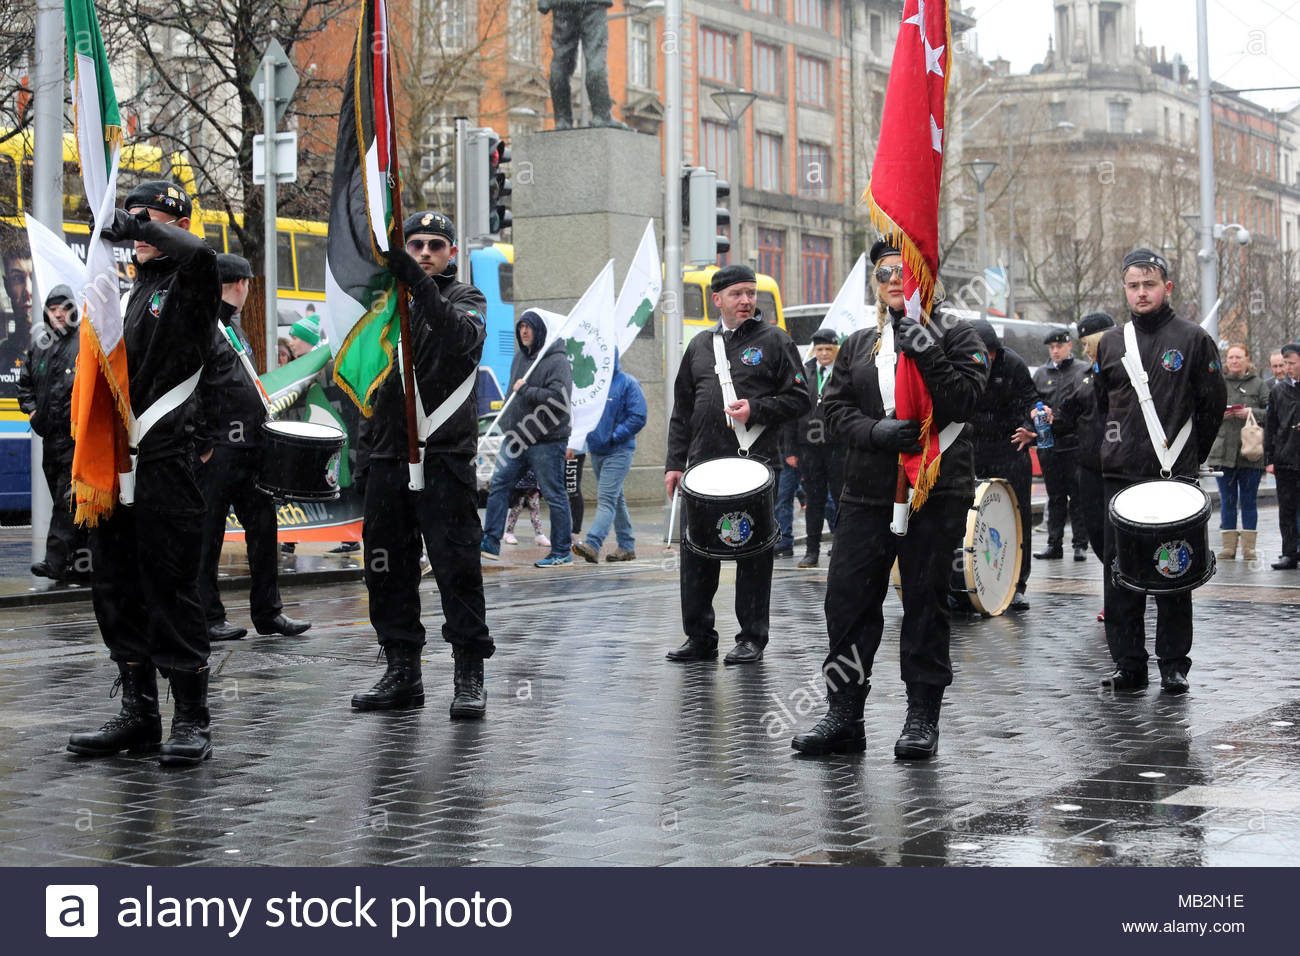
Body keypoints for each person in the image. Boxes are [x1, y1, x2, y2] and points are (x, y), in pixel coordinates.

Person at [791, 240, 988, 758]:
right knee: (848, 603)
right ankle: (844, 713)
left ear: (925, 276)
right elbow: (832, 413)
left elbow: (966, 400)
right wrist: (877, 432)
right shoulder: (859, 344)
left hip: (935, 489)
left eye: (905, 270)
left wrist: (923, 347)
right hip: (866, 494)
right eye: (884, 273)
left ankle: (922, 717)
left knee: (925, 602)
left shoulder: (957, 333)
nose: (895, 280)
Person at [66, 180, 221, 765]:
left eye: (147, 216)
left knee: (171, 589)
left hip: (164, 462)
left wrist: (144, 230)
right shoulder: (122, 293)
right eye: (128, 217)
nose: (133, 226)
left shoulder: (189, 283)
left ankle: (192, 719)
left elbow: (203, 257)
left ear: (174, 221)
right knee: (115, 588)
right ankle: (139, 715)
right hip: (116, 462)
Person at [351, 210, 494, 718]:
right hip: (388, 454)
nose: (426, 252)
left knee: (457, 567)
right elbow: (365, 382)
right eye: (415, 245)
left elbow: (460, 339)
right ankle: (402, 671)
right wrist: (363, 452)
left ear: (452, 253)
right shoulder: (383, 308)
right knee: (385, 568)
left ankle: (469, 673)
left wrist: (418, 285)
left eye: (436, 245)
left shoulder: (466, 299)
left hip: (444, 456)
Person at [1092, 248, 1225, 694]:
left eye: (1150, 284)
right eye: (1134, 285)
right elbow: (1100, 405)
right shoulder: (1111, 342)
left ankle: (1173, 664)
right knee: (1119, 575)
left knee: (1174, 572)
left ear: (1167, 287)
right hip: (1121, 478)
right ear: (1125, 289)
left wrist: (1188, 458)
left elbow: (1212, 405)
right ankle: (1128, 663)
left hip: (1172, 477)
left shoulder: (1193, 338)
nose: (1142, 292)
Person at [664, 264, 809, 665]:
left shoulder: (775, 340)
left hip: (754, 466)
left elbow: (801, 399)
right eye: (737, 294)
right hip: (703, 468)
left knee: (753, 553)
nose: (746, 301)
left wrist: (757, 409)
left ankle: (751, 637)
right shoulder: (698, 346)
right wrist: (675, 463)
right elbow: (683, 410)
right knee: (696, 553)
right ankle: (699, 636)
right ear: (718, 300)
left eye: (751, 293)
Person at [194, 254, 310, 642]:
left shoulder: (234, 330)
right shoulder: (203, 326)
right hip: (220, 449)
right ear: (241, 285)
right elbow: (191, 387)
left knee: (263, 529)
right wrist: (204, 442)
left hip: (250, 448)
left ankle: (268, 612)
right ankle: (207, 615)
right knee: (208, 535)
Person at [480, 310, 575, 567]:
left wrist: (528, 390)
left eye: (529, 327)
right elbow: (513, 397)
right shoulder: (519, 359)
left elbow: (559, 399)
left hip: (547, 440)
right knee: (499, 484)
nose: (523, 332)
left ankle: (561, 551)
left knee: (554, 494)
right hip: (516, 438)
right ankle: (490, 541)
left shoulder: (557, 361)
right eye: (520, 327)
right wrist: (507, 423)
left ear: (540, 330)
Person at [19, 286, 89, 583]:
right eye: (52, 308)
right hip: (51, 440)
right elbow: (25, 384)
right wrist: (33, 412)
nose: (58, 313)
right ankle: (84, 562)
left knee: (66, 501)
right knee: (69, 502)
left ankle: (54, 560)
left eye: (63, 308)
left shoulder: (84, 343)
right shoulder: (40, 345)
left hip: (77, 441)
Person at [969, 318, 1037, 611]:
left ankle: (1018, 583)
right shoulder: (961, 363)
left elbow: (1032, 401)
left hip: (1009, 447)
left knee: (1017, 517)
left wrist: (1029, 428)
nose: (990, 359)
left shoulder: (1014, 364)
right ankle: (974, 578)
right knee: (971, 519)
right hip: (972, 448)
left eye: (993, 352)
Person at [1051, 312, 1115, 567]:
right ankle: (1115, 591)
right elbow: (1069, 414)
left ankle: (1121, 597)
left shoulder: (1122, 373)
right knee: (1098, 534)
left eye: (1088, 344)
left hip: (1119, 466)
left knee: (1116, 537)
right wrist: (1043, 424)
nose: (1085, 350)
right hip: (1090, 465)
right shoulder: (1087, 375)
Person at [782, 327, 846, 569]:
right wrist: (790, 449)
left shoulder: (843, 372)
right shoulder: (805, 372)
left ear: (836, 349)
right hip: (809, 448)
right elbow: (792, 411)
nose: (824, 353)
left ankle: (841, 548)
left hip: (837, 446)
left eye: (829, 349)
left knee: (841, 499)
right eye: (819, 349)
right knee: (814, 500)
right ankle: (812, 551)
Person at [572, 353, 646, 563]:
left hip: (618, 450)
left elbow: (638, 416)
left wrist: (614, 436)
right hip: (597, 450)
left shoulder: (627, 383)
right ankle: (627, 546)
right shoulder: (593, 384)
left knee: (606, 499)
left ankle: (593, 544)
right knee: (616, 498)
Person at [1207, 344, 1270, 562]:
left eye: (1238, 357)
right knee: (1227, 501)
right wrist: (1219, 413)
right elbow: (1204, 409)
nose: (1234, 361)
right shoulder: (1218, 383)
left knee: (1249, 500)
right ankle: (1228, 547)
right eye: (1231, 357)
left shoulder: (1258, 384)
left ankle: (1249, 548)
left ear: (1247, 359)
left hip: (1250, 452)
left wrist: (1251, 412)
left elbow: (1272, 411)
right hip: (1222, 453)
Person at [1032, 327, 1090, 561]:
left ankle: (1080, 545)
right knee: (1055, 497)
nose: (1055, 351)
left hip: (1074, 444)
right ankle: (1054, 544)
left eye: (1059, 346)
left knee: (1077, 496)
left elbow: (1084, 406)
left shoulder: (1081, 371)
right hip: (1049, 445)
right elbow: (1031, 402)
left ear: (1069, 346)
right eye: (1051, 347)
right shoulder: (1040, 374)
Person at [538, 0, 629, 130]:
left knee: (561, 59)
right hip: (593, 3)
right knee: (595, 55)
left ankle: (562, 119)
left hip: (562, 4)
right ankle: (601, 115)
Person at [1265, 342, 1300, 570]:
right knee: (1286, 508)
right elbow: (1271, 426)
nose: (1288, 367)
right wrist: (1269, 459)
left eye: (1292, 363)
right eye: (1285, 363)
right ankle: (1288, 552)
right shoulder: (1278, 391)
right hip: (1285, 458)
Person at [504, 467, 548, 548]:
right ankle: (508, 532)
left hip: (533, 483)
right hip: (519, 484)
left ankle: (539, 534)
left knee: (535, 509)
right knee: (517, 508)